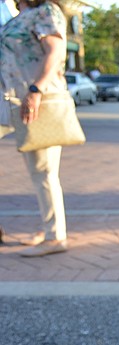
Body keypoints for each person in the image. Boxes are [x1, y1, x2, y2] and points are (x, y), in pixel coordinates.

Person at [0, 0, 69, 256]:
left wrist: (35, 90)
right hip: (12, 100)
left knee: (43, 169)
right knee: (40, 170)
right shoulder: (18, 16)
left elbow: (55, 51)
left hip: (37, 99)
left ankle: (55, 237)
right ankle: (50, 228)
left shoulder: (46, 11)